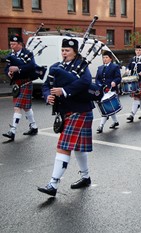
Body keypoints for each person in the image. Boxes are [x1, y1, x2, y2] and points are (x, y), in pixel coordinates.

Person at [38, 38, 94, 196]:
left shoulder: (81, 67)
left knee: (63, 146)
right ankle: (86, 177)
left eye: (67, 50)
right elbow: (46, 85)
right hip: (65, 111)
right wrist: (47, 95)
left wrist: (63, 91)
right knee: (77, 147)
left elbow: (85, 83)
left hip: (80, 110)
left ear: (75, 52)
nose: (64, 53)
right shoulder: (56, 66)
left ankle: (53, 184)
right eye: (62, 50)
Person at [2, 35, 39, 142]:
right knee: (26, 108)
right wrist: (8, 73)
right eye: (10, 44)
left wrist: (18, 68)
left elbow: (32, 66)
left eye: (14, 44)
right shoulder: (11, 55)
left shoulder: (28, 54)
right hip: (17, 84)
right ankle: (34, 127)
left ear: (20, 44)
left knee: (17, 106)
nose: (12, 46)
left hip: (26, 82)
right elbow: (6, 69)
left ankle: (12, 131)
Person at [95, 51, 122, 133]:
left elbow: (118, 78)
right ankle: (115, 122)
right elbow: (97, 79)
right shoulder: (100, 68)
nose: (105, 59)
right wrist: (100, 85)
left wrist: (114, 82)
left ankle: (101, 125)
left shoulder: (115, 67)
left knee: (106, 107)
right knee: (109, 107)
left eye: (106, 57)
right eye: (103, 57)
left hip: (111, 90)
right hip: (102, 90)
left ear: (110, 58)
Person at [125, 45, 141, 123]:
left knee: (137, 97)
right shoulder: (132, 59)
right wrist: (127, 70)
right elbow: (128, 67)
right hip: (134, 81)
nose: (138, 51)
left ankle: (132, 115)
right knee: (139, 98)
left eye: (139, 50)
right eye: (137, 50)